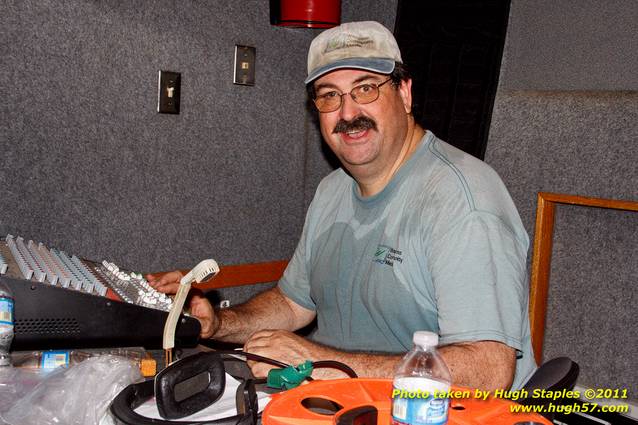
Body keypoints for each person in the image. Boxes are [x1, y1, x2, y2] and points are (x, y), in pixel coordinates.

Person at [148, 21, 536, 391]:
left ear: (404, 94)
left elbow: (489, 369)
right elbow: (293, 303)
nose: (348, 113)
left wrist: (321, 365)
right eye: (329, 95)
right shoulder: (333, 189)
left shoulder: (463, 200)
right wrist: (218, 323)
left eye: (365, 89)